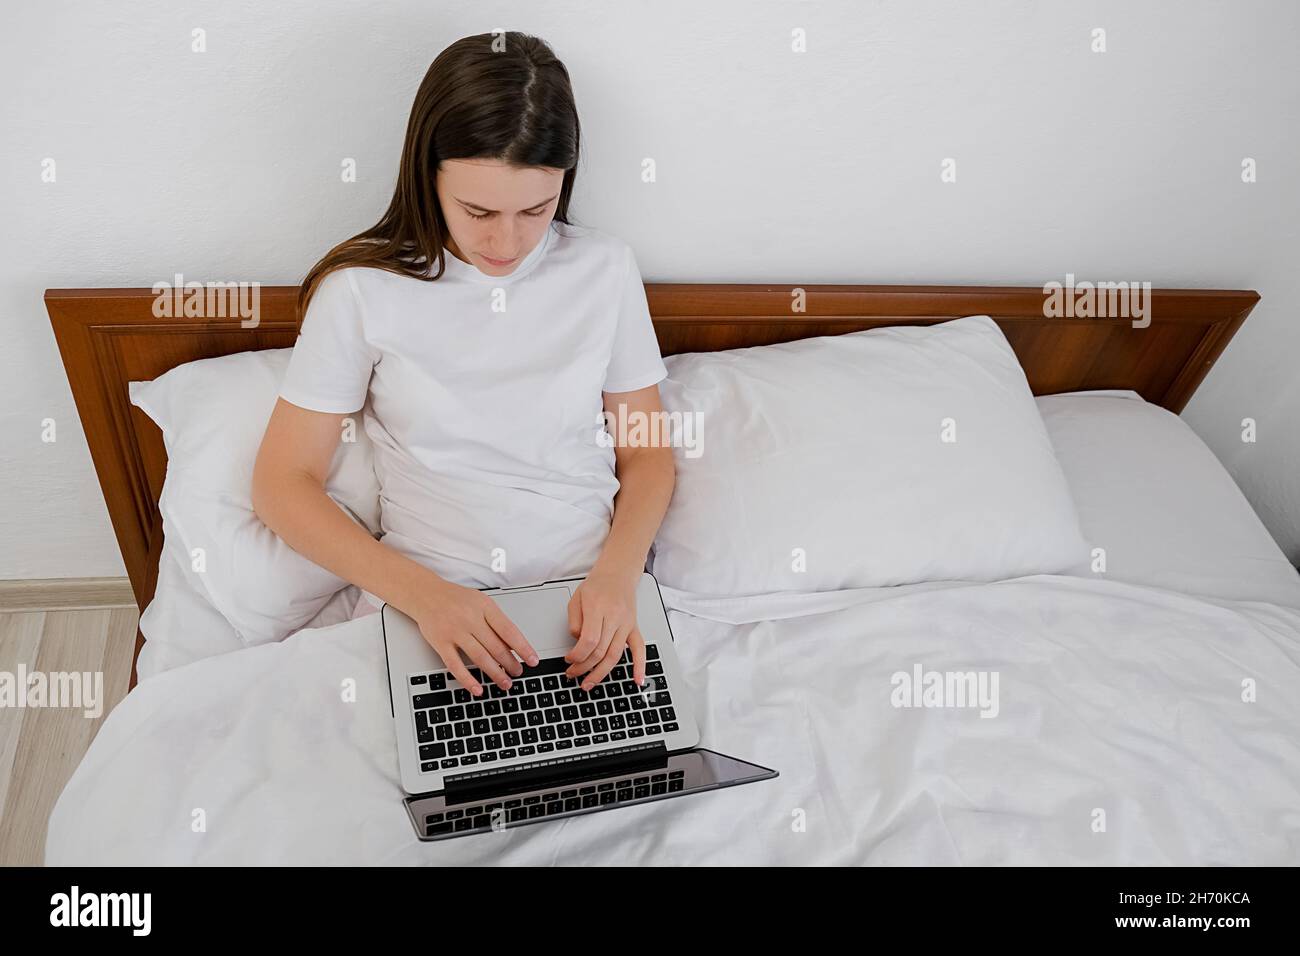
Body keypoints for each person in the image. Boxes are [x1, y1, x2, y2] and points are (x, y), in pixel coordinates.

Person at [252, 32, 675, 700]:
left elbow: (648, 455)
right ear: (429, 175)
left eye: (534, 210)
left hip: (586, 607)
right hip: (430, 605)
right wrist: (426, 598)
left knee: (643, 784)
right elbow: (282, 483)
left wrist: (619, 579)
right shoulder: (362, 289)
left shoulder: (605, 270)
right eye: (477, 211)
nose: (505, 243)